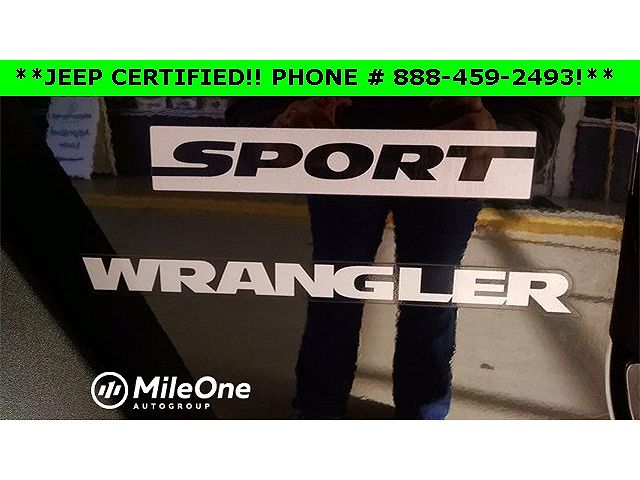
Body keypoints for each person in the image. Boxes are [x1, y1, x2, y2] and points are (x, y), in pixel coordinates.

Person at [226, 96, 563, 419]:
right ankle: (340, 408)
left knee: (418, 297)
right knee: (351, 294)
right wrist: (270, 128)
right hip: (345, 153)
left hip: (443, 156)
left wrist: (503, 144)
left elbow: (535, 101)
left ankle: (377, 409)